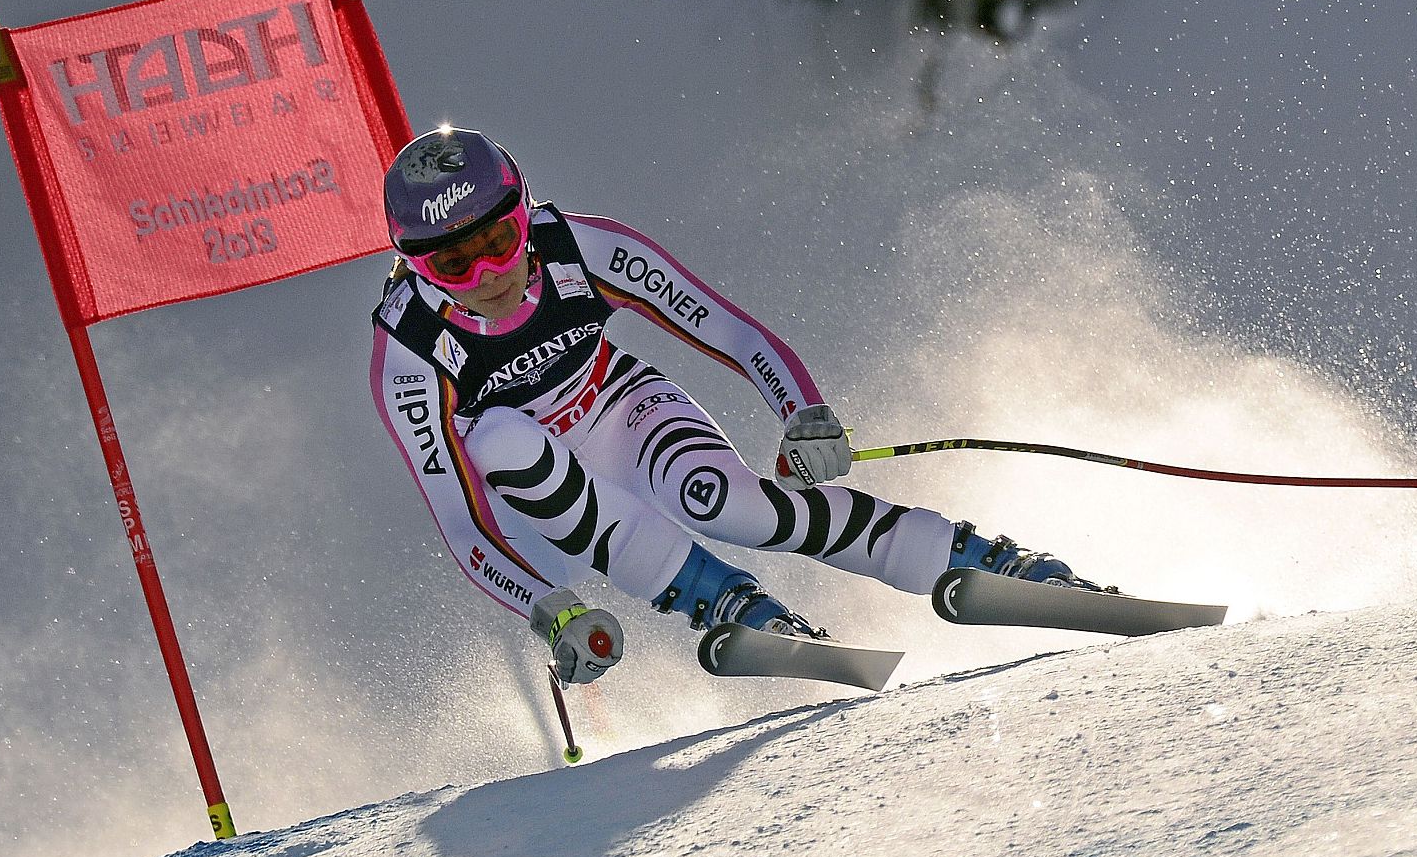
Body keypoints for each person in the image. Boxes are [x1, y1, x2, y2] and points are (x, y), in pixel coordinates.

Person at [371, 127, 1099, 686]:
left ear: (524, 213)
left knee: (725, 502)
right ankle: (728, 602)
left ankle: (970, 557)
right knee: (498, 438)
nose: (488, 274)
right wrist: (548, 604)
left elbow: (730, 331)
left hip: (619, 405)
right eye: (454, 263)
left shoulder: (581, 248)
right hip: (542, 497)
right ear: (416, 265)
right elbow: (461, 521)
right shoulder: (411, 353)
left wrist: (802, 413)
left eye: (500, 240)